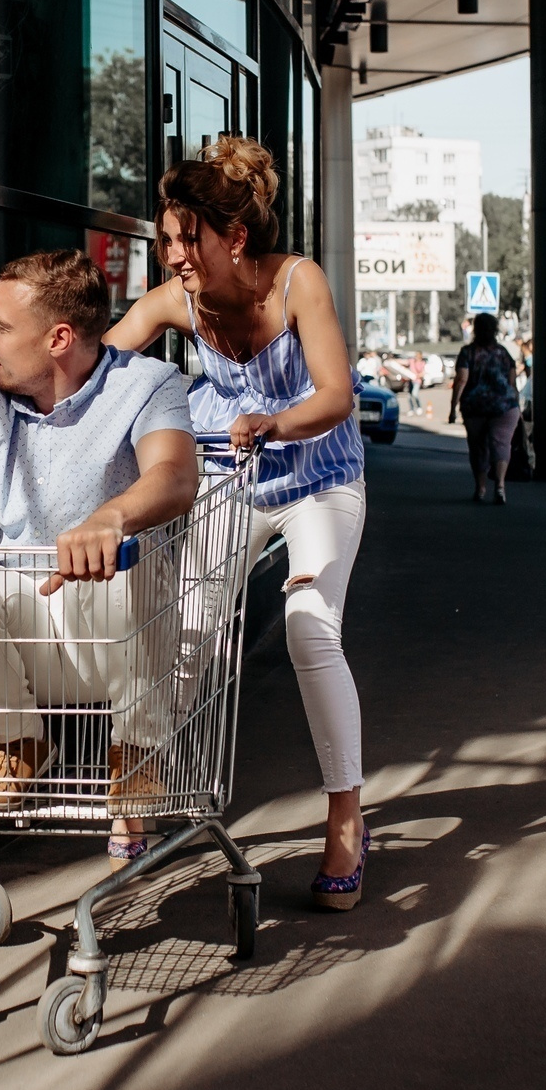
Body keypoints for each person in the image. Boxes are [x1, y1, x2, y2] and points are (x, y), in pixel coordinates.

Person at [104, 134, 375, 910]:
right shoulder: (174, 302)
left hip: (319, 479)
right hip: (231, 484)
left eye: (187, 242)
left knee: (308, 628)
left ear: (236, 238)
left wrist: (272, 421)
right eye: (166, 242)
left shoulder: (298, 283)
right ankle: (139, 786)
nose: (175, 258)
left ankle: (347, 819)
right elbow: (103, 372)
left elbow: (335, 396)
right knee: (186, 629)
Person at [0, 251, 197, 862]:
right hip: (8, 634)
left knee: (135, 554)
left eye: (0, 325)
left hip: (107, 627)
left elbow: (176, 477)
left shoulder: (146, 385)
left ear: (59, 338)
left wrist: (111, 517)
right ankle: (18, 741)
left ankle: (137, 752)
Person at [451, 311, 523, 504]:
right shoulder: (503, 353)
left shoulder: (468, 352)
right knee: (501, 444)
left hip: (475, 407)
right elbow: (512, 382)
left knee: (478, 448)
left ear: (475, 330)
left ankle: (481, 488)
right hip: (505, 406)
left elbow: (461, 380)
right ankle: (500, 486)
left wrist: (453, 407)